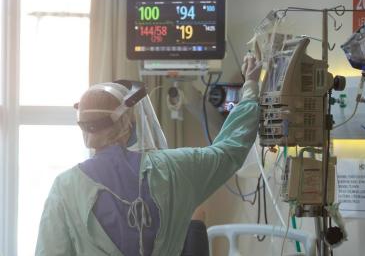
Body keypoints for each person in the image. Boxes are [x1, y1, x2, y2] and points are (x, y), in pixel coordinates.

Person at [35, 56, 262, 256]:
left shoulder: (65, 189)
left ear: (85, 128)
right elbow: (230, 149)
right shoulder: (175, 169)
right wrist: (250, 87)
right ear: (129, 123)